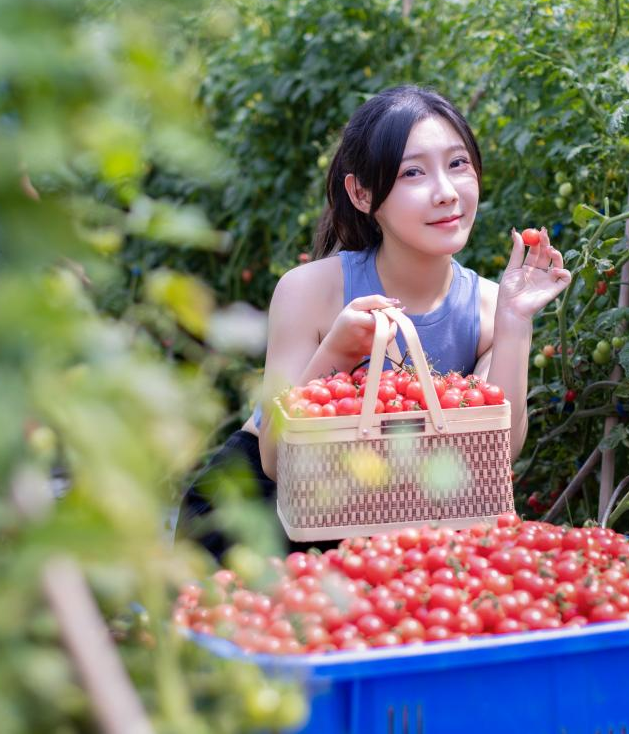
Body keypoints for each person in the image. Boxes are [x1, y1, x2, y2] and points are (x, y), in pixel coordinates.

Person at [177, 85, 572, 560]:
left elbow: (495, 457)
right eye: (412, 172)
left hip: (392, 510)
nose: (446, 193)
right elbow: (276, 461)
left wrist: (515, 322)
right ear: (362, 193)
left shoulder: (489, 307)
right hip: (263, 513)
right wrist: (337, 354)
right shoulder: (310, 291)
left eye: (458, 164)